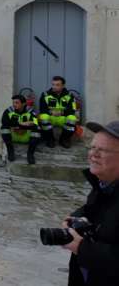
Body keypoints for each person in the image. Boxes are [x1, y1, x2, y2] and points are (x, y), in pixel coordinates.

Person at [61, 121, 119, 286]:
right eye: (92, 148)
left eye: (103, 150)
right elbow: (95, 209)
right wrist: (75, 217)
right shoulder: (103, 185)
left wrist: (82, 249)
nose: (93, 154)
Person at [39, 76, 78, 149]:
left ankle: (64, 139)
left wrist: (61, 112)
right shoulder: (45, 95)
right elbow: (42, 109)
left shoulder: (69, 95)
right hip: (51, 117)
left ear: (63, 86)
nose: (54, 87)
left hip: (62, 118)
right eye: (53, 84)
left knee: (72, 118)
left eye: (57, 85)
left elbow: (72, 110)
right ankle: (50, 139)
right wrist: (51, 112)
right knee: (43, 116)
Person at [0, 94, 40, 165]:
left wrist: (29, 124)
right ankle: (10, 151)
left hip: (26, 136)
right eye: (13, 102)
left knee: (37, 129)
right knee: (4, 128)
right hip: (13, 135)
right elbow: (4, 122)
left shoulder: (30, 111)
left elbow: (36, 122)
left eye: (17, 103)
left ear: (24, 103)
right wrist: (21, 124)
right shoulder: (9, 111)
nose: (14, 104)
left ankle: (30, 154)